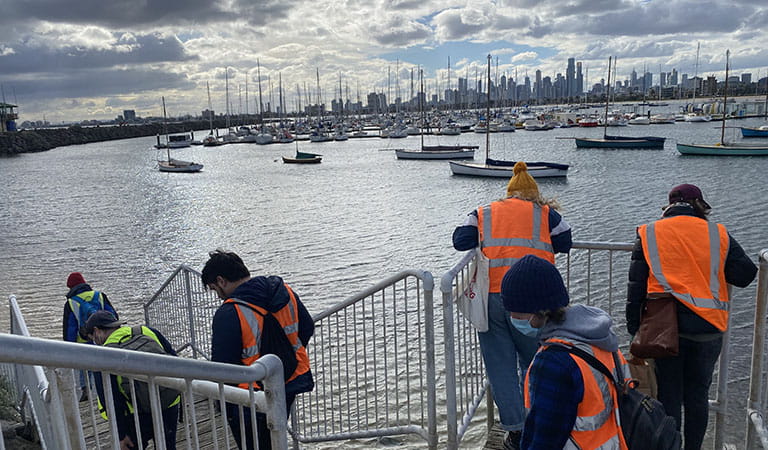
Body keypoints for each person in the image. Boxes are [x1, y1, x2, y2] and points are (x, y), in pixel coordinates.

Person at [627, 183, 757, 450]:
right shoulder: (717, 233)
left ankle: (670, 446)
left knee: (668, 396)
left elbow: (636, 285)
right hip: (708, 327)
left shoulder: (650, 232)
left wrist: (634, 329)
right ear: (700, 205)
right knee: (698, 397)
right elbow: (745, 274)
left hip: (665, 328)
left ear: (669, 206)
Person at [452, 161, 572, 449]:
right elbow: (565, 241)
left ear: (508, 193)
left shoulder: (483, 213)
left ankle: (516, 431)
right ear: (534, 193)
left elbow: (460, 240)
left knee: (500, 367)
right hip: (533, 300)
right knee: (536, 362)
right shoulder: (546, 214)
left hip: (492, 296)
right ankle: (540, 420)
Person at [502, 254, 630, 450]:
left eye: (514, 310)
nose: (511, 316)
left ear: (536, 312)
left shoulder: (553, 363)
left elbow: (544, 439)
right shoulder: (600, 339)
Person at [201, 250, 314, 450]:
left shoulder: (229, 312)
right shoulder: (284, 291)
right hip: (287, 381)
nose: (218, 296)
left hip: (249, 397)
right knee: (276, 434)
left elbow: (222, 368)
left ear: (221, 281)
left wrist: (224, 405)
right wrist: (287, 355)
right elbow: (306, 327)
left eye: (214, 289)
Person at [83, 310, 181, 450]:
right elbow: (174, 359)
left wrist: (121, 435)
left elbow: (110, 400)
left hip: (136, 414)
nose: (94, 342)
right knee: (167, 446)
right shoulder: (147, 331)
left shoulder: (103, 356)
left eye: (92, 337)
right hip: (168, 403)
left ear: (96, 331)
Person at [63, 271, 119, 401]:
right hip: (103, 337)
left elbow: (70, 327)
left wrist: (68, 345)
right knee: (104, 364)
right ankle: (107, 390)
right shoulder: (99, 295)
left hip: (83, 340)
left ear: (71, 287)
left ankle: (86, 390)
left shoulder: (71, 303)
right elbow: (113, 316)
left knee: (85, 367)